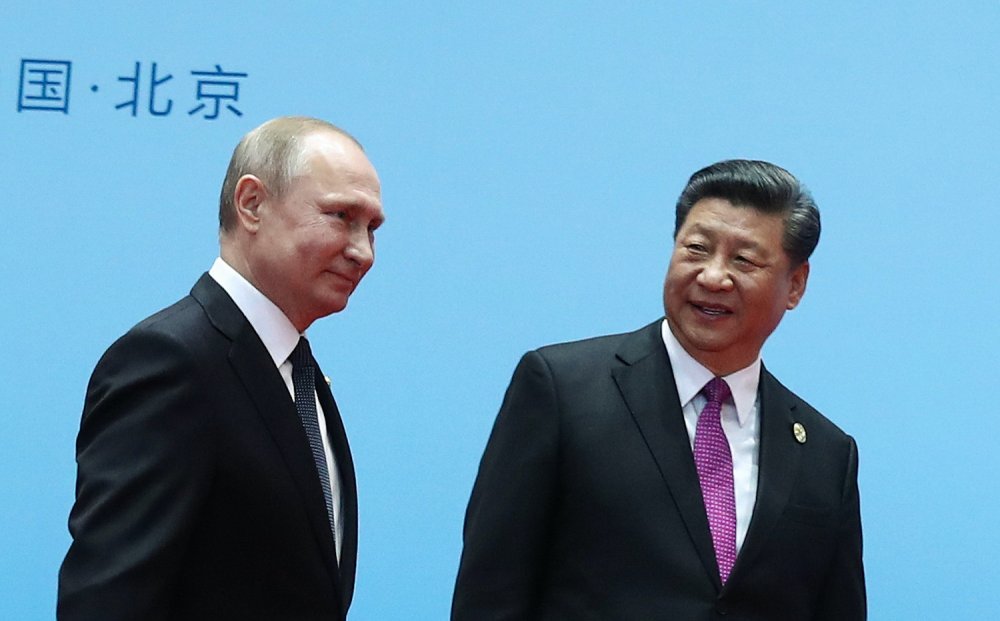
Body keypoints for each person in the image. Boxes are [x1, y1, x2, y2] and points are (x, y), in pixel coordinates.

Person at [452, 160, 865, 620]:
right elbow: (489, 597)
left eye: (744, 260)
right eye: (696, 249)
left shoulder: (827, 456)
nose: (712, 276)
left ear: (796, 285)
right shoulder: (563, 391)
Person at [58, 116, 384, 621]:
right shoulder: (169, 362)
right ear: (251, 204)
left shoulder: (297, 372)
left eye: (372, 229)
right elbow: (107, 600)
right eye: (341, 216)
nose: (363, 252)